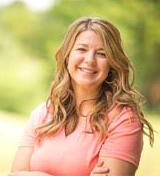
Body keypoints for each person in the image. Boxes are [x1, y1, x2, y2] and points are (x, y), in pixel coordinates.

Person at [9, 16, 154, 176]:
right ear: (67, 55)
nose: (90, 60)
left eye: (101, 54)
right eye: (82, 49)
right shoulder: (44, 113)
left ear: (112, 64)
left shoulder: (123, 120)